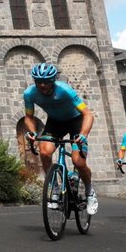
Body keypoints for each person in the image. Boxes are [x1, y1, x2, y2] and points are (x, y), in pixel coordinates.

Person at [22, 62, 99, 215]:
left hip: (75, 122)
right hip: (55, 123)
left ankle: (90, 191)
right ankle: (55, 189)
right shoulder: (29, 94)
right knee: (44, 153)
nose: (42, 85)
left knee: (78, 161)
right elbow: (29, 117)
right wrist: (31, 132)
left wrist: (83, 134)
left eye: (46, 82)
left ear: (53, 80)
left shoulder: (65, 90)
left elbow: (87, 114)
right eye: (38, 82)